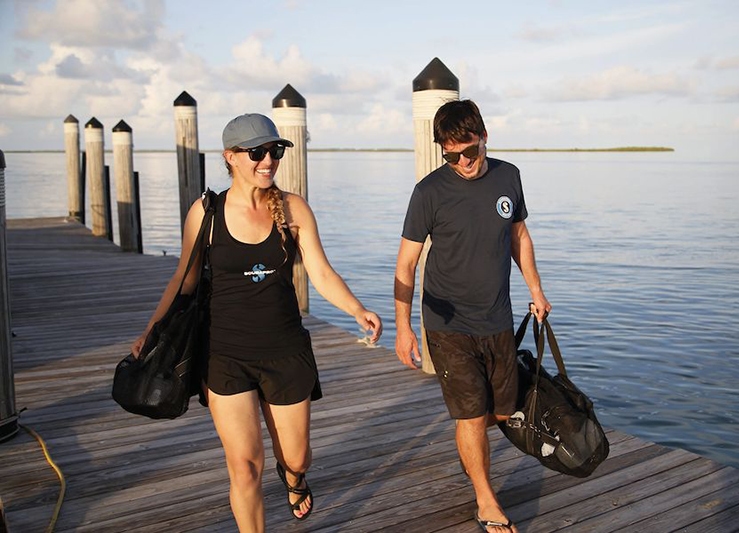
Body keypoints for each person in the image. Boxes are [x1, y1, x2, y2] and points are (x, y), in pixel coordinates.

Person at [132, 113, 382, 532]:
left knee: (297, 456)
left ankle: (294, 478)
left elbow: (320, 272)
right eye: (257, 152)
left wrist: (357, 309)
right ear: (230, 157)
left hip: (285, 350)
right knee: (244, 466)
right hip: (224, 354)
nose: (268, 160)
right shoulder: (206, 212)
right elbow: (184, 281)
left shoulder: (293, 207)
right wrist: (151, 332)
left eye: (275, 150)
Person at [394, 99, 550, 533]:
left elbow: (519, 236)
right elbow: (405, 265)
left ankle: (471, 449)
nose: (462, 162)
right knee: (469, 415)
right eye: (451, 155)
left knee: (499, 413)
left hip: (498, 318)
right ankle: (486, 500)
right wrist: (404, 328)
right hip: (447, 325)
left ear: (485, 137)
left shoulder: (509, 177)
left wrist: (536, 290)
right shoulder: (429, 192)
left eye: (469, 151)